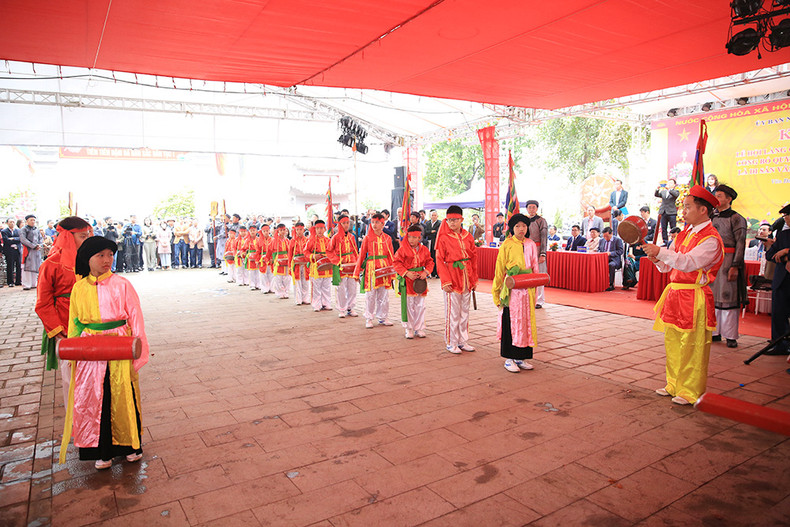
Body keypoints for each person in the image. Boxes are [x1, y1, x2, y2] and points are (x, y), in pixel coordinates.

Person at [60, 235, 149, 470]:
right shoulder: (79, 288)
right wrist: (73, 351)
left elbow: (136, 318)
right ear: (87, 259)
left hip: (120, 347)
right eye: (100, 255)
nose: (107, 259)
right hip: (90, 349)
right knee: (95, 398)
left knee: (122, 395)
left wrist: (138, 352)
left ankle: (130, 446)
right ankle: (102, 451)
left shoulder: (122, 285)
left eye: (110, 254)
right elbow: (74, 322)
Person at [643, 186, 723, 405]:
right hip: (675, 294)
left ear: (703, 210)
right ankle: (674, 384)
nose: (683, 211)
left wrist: (660, 252)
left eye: (688, 207)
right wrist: (657, 259)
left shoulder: (711, 239)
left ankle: (690, 391)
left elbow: (688, 263)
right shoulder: (686, 233)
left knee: (693, 345)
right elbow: (670, 267)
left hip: (694, 296)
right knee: (673, 342)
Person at [34, 214, 93, 414]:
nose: (87, 240)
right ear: (68, 236)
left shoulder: (91, 261)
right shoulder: (50, 264)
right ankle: (76, 426)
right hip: (65, 326)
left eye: (88, 236)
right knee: (71, 378)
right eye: (82, 236)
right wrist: (58, 330)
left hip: (93, 324)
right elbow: (43, 303)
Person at [492, 213, 539, 372]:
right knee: (511, 321)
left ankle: (521, 357)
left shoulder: (531, 244)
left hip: (527, 290)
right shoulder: (507, 244)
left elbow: (535, 268)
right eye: (517, 226)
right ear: (512, 228)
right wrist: (496, 292)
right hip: (511, 290)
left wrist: (535, 290)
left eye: (524, 226)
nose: (521, 229)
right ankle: (509, 358)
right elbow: (500, 269)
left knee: (525, 322)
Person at [435, 205, 478, 354]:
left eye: (455, 220)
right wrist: (445, 281)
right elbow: (440, 260)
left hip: (466, 276)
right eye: (449, 220)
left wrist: (474, 279)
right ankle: (451, 341)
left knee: (464, 311)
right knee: (453, 312)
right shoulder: (443, 239)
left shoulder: (468, 236)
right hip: (452, 277)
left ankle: (463, 341)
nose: (452, 223)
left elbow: (473, 258)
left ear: (461, 219)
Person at [711, 184, 748, 348]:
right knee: (712, 296)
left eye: (720, 195)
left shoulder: (737, 218)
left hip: (730, 260)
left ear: (729, 199)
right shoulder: (711, 217)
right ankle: (714, 332)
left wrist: (735, 265)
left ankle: (730, 335)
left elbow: (741, 243)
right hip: (713, 261)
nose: (717, 198)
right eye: (716, 195)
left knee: (728, 296)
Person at [354, 213, 395, 328]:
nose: (374, 225)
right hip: (371, 269)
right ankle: (369, 318)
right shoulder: (367, 238)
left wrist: (393, 272)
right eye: (372, 222)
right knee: (370, 295)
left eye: (377, 222)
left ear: (383, 224)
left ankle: (383, 317)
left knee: (384, 295)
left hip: (385, 269)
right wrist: (357, 272)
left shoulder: (387, 238)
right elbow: (361, 255)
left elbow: (391, 255)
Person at [393, 224, 434, 339]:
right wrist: (406, 273)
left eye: (415, 237)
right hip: (408, 281)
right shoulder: (402, 250)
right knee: (409, 305)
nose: (412, 239)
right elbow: (396, 263)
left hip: (420, 281)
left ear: (419, 238)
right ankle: (409, 328)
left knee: (421, 305)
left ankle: (419, 328)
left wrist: (426, 272)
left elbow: (430, 262)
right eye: (410, 237)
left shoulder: (424, 249)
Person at [764, 204, 790, 356]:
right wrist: (770, 247)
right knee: (779, 313)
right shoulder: (782, 234)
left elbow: (783, 254)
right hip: (781, 279)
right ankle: (779, 344)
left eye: (786, 216)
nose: (785, 219)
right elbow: (771, 256)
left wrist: (787, 252)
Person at [328, 215, 359, 318]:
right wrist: (338, 261)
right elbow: (329, 251)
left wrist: (358, 263)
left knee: (352, 287)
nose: (346, 225)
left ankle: (350, 307)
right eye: (344, 223)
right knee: (341, 288)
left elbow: (355, 250)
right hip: (341, 266)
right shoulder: (335, 237)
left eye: (347, 223)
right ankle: (341, 309)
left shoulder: (352, 236)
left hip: (352, 264)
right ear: (340, 224)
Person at [525, 200, 548, 308]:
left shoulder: (541, 221)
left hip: (538, 249)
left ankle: (539, 300)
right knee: (527, 273)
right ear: (526, 209)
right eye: (529, 207)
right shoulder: (524, 221)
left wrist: (543, 253)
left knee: (539, 274)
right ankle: (529, 298)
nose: (531, 209)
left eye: (534, 207)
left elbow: (544, 238)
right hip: (526, 249)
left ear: (537, 209)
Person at [306, 220, 333, 311]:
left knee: (327, 286)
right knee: (316, 287)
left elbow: (333, 251)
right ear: (315, 229)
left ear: (325, 229)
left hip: (327, 266)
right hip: (316, 267)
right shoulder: (311, 240)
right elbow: (305, 251)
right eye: (318, 228)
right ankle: (316, 304)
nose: (320, 230)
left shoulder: (328, 240)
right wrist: (312, 256)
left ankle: (326, 303)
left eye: (321, 228)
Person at [289, 222, 310, 305]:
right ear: (295, 230)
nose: (299, 231)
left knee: (305, 280)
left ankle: (305, 298)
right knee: (297, 281)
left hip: (305, 263)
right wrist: (290, 265)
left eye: (301, 229)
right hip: (296, 264)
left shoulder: (307, 240)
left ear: (303, 229)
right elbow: (290, 254)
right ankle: (298, 299)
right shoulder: (293, 241)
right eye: (297, 230)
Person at [268, 224, 291, 299]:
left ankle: (286, 292)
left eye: (284, 230)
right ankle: (280, 292)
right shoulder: (274, 241)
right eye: (281, 230)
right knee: (278, 278)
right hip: (277, 261)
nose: (283, 232)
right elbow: (269, 251)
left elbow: (290, 251)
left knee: (287, 278)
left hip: (286, 261)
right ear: (278, 231)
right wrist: (270, 258)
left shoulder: (287, 240)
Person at [20, 214, 42, 290]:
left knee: (35, 266)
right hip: (28, 250)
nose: (33, 222)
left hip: (36, 251)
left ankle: (33, 283)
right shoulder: (23, 229)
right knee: (27, 267)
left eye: (34, 220)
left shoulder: (37, 229)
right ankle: (26, 284)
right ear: (27, 221)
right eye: (31, 220)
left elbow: (40, 238)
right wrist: (33, 246)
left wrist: (39, 245)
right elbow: (23, 239)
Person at [655, 178, 680, 247]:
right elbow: (657, 194)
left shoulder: (675, 191)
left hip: (671, 212)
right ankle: (665, 241)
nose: (669, 184)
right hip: (663, 211)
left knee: (673, 227)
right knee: (663, 227)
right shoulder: (663, 191)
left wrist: (669, 189)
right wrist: (657, 189)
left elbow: (675, 195)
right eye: (668, 182)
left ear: (674, 185)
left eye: (671, 183)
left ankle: (674, 241)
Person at [599, 227, 624, 291]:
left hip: (614, 259)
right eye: (604, 236)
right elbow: (599, 249)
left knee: (611, 265)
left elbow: (620, 251)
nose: (605, 238)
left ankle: (611, 284)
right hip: (603, 259)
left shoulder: (617, 240)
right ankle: (598, 283)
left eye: (607, 236)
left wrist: (611, 253)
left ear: (611, 234)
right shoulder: (601, 240)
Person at [2, 218, 22, 287]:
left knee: (18, 265)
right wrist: (15, 239)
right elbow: (6, 240)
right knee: (10, 266)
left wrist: (13, 238)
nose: (12, 223)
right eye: (10, 222)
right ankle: (10, 282)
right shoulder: (4, 231)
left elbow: (20, 239)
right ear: (7, 223)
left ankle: (18, 281)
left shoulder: (18, 230)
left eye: (13, 222)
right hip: (9, 251)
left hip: (17, 250)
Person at [256, 223, 275, 294]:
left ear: (269, 231)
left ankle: (272, 288)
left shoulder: (272, 240)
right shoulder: (259, 241)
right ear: (262, 231)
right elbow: (257, 251)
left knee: (271, 273)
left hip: (270, 258)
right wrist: (257, 260)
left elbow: (274, 250)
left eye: (267, 231)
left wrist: (273, 258)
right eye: (264, 231)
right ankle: (264, 288)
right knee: (263, 274)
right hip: (262, 259)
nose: (266, 232)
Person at [243, 224, 261, 290]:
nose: (252, 232)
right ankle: (252, 285)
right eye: (251, 231)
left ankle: (258, 284)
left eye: (254, 230)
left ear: (256, 231)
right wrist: (244, 253)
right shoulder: (247, 240)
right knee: (251, 273)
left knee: (258, 272)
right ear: (249, 232)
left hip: (258, 256)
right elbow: (243, 249)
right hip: (250, 258)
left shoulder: (259, 239)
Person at [425, 210, 441, 277]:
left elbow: (438, 232)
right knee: (430, 257)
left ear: (437, 216)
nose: (434, 217)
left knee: (436, 257)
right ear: (430, 216)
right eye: (432, 215)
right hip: (429, 241)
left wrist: (431, 232)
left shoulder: (440, 223)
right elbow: (426, 231)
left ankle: (437, 272)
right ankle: (431, 272)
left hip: (436, 241)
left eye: (435, 215)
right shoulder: (427, 223)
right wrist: (431, 231)